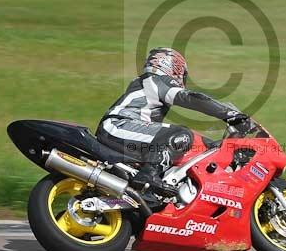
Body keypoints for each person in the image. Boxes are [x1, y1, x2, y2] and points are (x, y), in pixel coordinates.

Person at [96, 47, 250, 196]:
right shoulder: (155, 80)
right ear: (174, 67)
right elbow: (191, 98)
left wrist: (213, 146)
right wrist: (231, 114)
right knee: (181, 134)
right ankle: (149, 175)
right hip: (118, 126)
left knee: (191, 142)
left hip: (121, 129)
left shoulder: (148, 83)